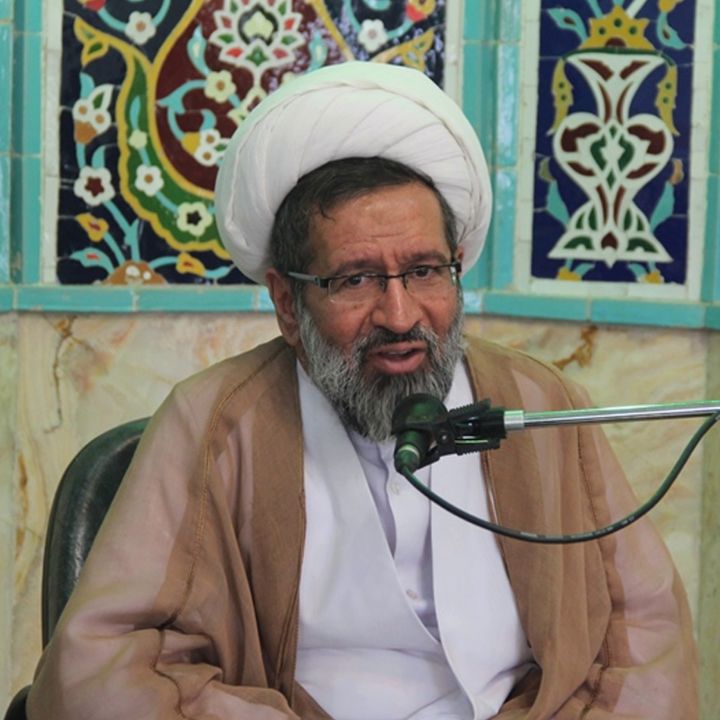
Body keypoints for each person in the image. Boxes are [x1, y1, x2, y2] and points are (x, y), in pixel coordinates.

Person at [27, 62, 697, 719]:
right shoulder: (214, 421)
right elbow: (103, 667)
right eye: (355, 280)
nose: (400, 316)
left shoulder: (540, 402)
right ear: (287, 303)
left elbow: (643, 636)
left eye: (425, 271)